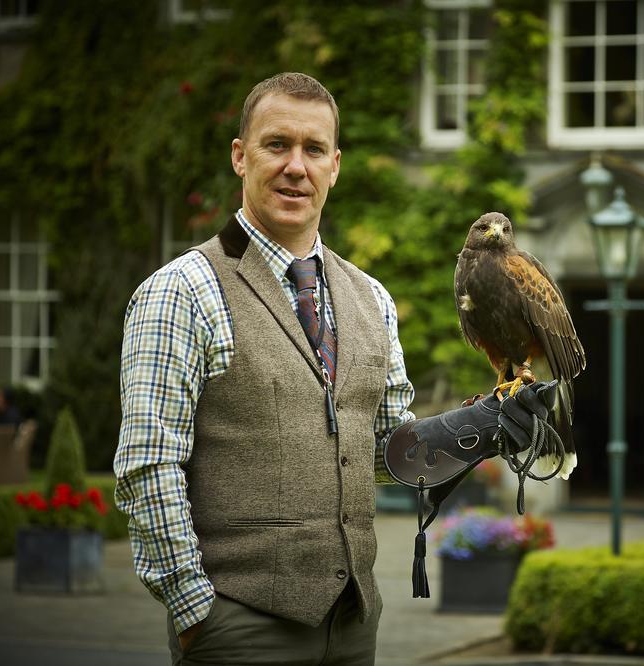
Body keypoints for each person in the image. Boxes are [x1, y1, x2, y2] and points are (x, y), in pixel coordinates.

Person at [114, 72, 552, 666]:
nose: (297, 165)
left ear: (335, 165)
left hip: (352, 629)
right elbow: (147, 464)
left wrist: (482, 425)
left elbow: (387, 453)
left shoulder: (371, 298)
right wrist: (196, 614)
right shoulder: (181, 291)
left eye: (314, 149)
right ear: (240, 157)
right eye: (277, 145)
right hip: (237, 629)